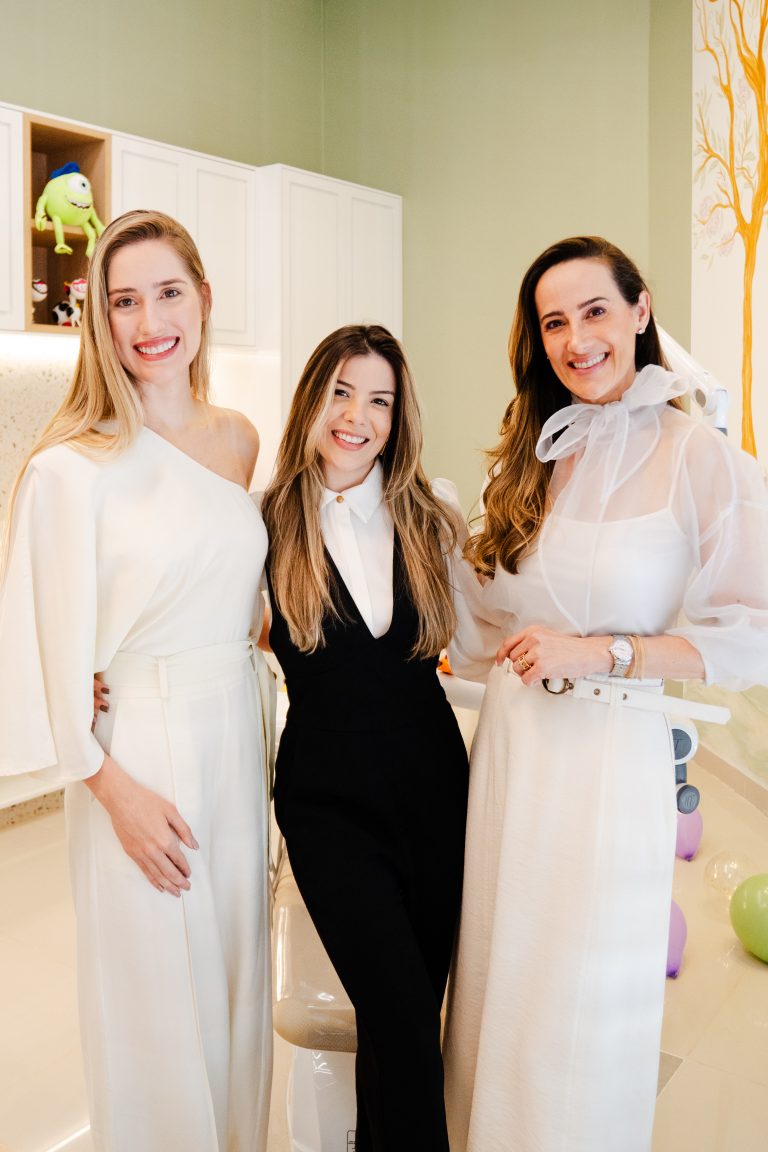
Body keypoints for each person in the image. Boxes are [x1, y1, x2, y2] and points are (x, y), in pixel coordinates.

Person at [441, 236, 768, 1152]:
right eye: (554, 323)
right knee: (499, 973)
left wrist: (604, 653)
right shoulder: (534, 455)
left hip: (607, 761)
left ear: (640, 309)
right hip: (514, 753)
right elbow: (484, 626)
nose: (576, 340)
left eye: (594, 312)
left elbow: (750, 634)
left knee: (577, 996)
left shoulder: (698, 457)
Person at [0, 210, 273, 1152]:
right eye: (124, 301)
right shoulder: (70, 468)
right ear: (99, 320)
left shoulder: (240, 440)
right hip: (139, 751)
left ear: (204, 300)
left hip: (236, 735)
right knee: (153, 997)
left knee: (237, 981)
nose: (150, 321)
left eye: (168, 293)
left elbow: (234, 592)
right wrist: (111, 790)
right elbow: (38, 645)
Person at [261, 324, 469, 1152]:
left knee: (408, 1017)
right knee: (403, 1015)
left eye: (379, 400)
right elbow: (199, 626)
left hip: (434, 792)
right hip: (328, 805)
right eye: (341, 393)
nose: (357, 417)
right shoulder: (265, 523)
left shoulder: (432, 513)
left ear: (398, 416)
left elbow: (485, 636)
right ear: (310, 402)